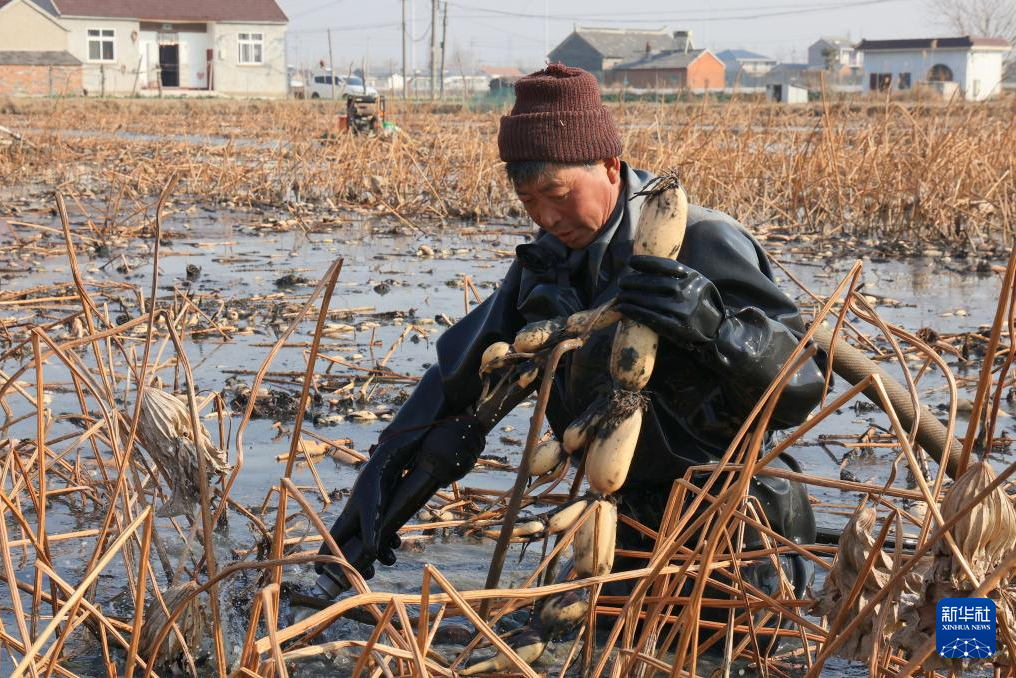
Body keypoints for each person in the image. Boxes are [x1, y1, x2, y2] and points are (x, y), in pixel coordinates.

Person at [310, 64, 825, 632]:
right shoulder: (544, 268)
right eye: (528, 200)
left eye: (556, 194)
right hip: (618, 527)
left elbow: (801, 385)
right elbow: (463, 381)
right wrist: (384, 467)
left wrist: (715, 327)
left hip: (735, 534)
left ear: (609, 166)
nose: (547, 217)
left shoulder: (699, 241)